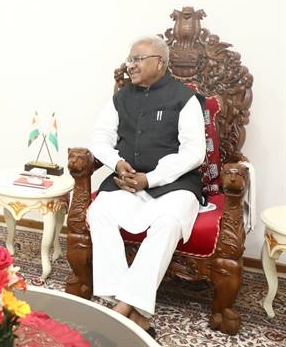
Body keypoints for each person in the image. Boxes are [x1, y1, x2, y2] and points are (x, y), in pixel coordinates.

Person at [87, 36, 206, 336]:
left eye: (138, 59)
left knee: (169, 222)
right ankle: (134, 315)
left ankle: (120, 310)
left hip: (175, 186)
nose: (131, 65)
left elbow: (194, 152)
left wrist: (150, 179)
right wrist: (117, 163)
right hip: (127, 182)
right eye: (130, 59)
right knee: (98, 212)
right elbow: (99, 137)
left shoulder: (184, 99)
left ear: (160, 63)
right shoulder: (121, 97)